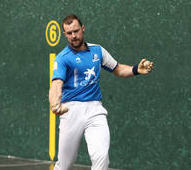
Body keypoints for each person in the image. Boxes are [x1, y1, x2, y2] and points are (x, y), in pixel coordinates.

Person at [49, 15, 154, 170]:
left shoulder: (98, 51)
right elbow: (57, 84)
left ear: (83, 28)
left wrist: (135, 70)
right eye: (69, 33)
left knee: (101, 156)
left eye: (76, 31)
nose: (73, 36)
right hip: (71, 111)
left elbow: (117, 69)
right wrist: (54, 102)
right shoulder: (62, 58)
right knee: (64, 165)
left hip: (95, 109)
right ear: (65, 34)